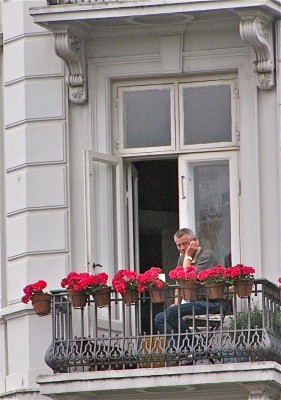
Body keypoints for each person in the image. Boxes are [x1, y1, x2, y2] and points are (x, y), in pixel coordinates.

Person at [154, 228, 225, 343]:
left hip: (213, 303)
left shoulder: (206, 255)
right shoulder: (182, 258)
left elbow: (188, 276)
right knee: (159, 318)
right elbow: (179, 282)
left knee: (172, 313)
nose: (181, 248)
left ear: (194, 242)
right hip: (194, 302)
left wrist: (188, 256)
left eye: (185, 244)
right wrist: (176, 304)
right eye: (178, 245)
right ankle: (180, 352)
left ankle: (193, 346)